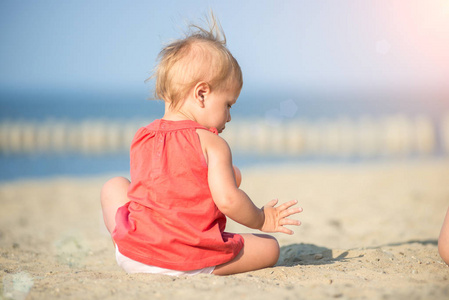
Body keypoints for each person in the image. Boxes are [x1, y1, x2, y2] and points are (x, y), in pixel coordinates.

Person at [100, 13, 302, 276]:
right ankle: (201, 263)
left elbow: (162, 191)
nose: (229, 116)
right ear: (202, 94)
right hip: (186, 259)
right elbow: (228, 200)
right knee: (270, 248)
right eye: (228, 104)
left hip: (134, 255)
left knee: (114, 185)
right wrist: (262, 218)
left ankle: (125, 241)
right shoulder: (213, 144)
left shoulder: (142, 137)